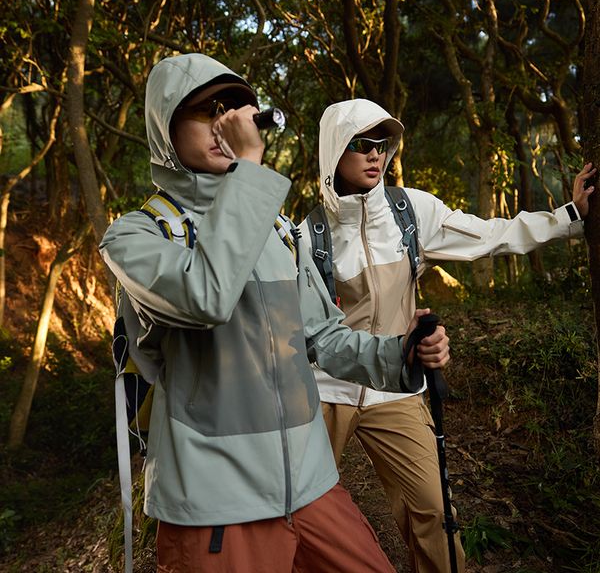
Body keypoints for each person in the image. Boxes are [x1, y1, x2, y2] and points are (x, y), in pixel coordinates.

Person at [99, 54, 451, 573]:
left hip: (310, 483)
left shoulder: (278, 230)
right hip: (216, 502)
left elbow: (322, 337)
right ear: (165, 125)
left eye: (236, 111)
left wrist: (402, 353)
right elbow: (206, 297)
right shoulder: (137, 235)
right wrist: (249, 171)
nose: (226, 123)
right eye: (209, 111)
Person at [299, 98, 594, 573]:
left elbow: (489, 235)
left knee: (435, 511)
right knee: (300, 509)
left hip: (395, 387)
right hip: (325, 390)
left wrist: (567, 217)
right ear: (333, 150)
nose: (375, 154)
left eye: (383, 144)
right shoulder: (307, 234)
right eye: (361, 144)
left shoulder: (410, 211)